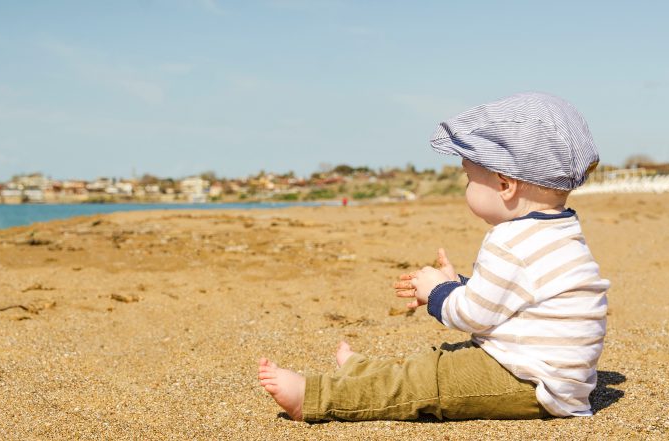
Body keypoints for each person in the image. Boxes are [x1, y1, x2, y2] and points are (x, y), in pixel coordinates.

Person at [258, 92, 610, 421]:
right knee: (441, 359)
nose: (466, 187)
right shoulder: (561, 231)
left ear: (505, 185)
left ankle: (316, 397)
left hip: (530, 383)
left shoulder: (509, 240)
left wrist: (437, 294)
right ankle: (362, 372)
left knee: (428, 379)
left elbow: (474, 316)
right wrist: (459, 284)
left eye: (470, 178)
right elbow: (515, 298)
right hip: (555, 378)